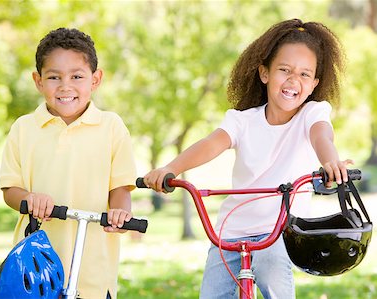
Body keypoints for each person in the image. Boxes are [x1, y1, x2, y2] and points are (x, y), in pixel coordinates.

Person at [143, 18, 353, 299]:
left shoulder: (311, 114)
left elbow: (322, 137)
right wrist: (171, 167)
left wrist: (331, 162)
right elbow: (210, 144)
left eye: (304, 74)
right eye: (284, 70)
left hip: (279, 230)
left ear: (314, 84)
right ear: (264, 73)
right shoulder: (242, 121)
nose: (293, 80)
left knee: (270, 270)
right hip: (231, 230)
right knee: (213, 293)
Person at [0, 28, 136, 299]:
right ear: (38, 81)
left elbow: (120, 187)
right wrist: (29, 198)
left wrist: (120, 213)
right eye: (53, 77)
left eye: (77, 76)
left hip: (93, 269)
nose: (65, 86)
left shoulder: (111, 127)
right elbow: (10, 189)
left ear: (95, 80)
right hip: (37, 269)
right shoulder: (24, 128)